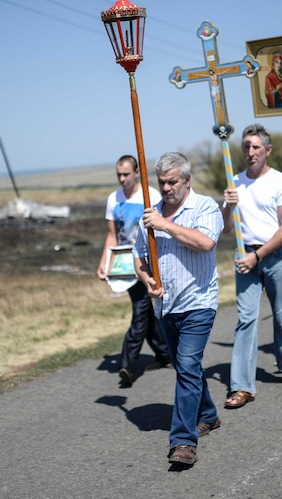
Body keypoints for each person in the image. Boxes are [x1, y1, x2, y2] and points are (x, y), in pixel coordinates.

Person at [133, 152, 224, 466]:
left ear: (187, 180)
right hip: (165, 306)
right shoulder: (151, 214)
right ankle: (208, 414)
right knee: (189, 367)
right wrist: (147, 280)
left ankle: (183, 441)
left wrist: (164, 225)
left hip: (198, 302)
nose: (167, 188)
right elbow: (139, 258)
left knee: (185, 367)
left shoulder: (205, 207)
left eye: (173, 182)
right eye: (162, 183)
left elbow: (204, 243)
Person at [222, 124, 282, 409]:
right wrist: (227, 206)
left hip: (276, 255)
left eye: (256, 147)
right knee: (245, 319)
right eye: (246, 146)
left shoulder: (280, 182)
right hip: (245, 256)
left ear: (267, 150)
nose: (250, 151)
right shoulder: (236, 182)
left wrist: (260, 256)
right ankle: (242, 385)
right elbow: (227, 228)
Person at [97, 155, 170, 387]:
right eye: (119, 174)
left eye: (126, 174)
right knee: (142, 309)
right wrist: (104, 262)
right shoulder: (113, 199)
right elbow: (112, 235)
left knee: (144, 310)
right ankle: (157, 357)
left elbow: (161, 229)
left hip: (149, 261)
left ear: (137, 172)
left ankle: (130, 363)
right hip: (125, 264)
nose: (122, 179)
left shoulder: (151, 195)